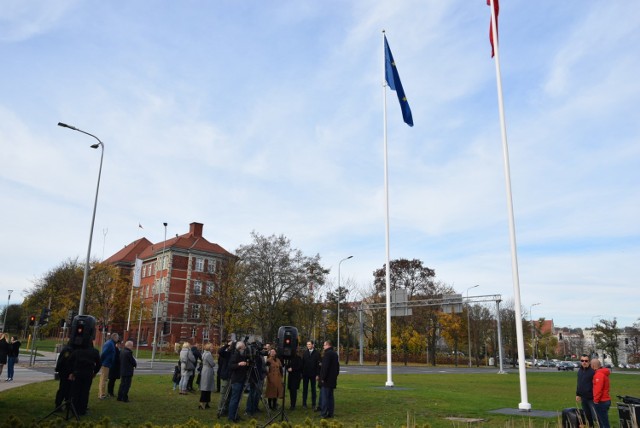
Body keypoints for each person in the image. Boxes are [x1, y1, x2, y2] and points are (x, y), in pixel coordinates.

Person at [68, 342, 102, 415]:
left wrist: (72, 372)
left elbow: (70, 361)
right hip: (88, 373)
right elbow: (99, 364)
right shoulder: (95, 352)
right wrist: (95, 372)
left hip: (77, 373)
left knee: (76, 391)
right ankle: (82, 409)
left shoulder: (77, 351)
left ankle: (74, 408)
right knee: (85, 392)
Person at [227, 341, 250, 423]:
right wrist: (239, 364)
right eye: (244, 348)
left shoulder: (242, 355)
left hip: (241, 379)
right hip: (236, 380)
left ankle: (235, 414)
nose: (245, 349)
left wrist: (246, 364)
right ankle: (231, 416)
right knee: (234, 399)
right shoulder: (235, 355)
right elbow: (230, 366)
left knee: (238, 399)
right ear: (240, 348)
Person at [319, 340, 339, 419]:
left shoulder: (327, 354)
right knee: (331, 397)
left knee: (325, 397)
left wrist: (322, 378)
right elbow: (337, 367)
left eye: (324, 345)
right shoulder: (335, 354)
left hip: (326, 379)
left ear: (328, 345)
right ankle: (331, 413)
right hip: (332, 379)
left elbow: (325, 367)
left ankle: (323, 413)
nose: (323, 347)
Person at [575, 353, 595, 427]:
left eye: (586, 361)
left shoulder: (592, 372)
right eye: (582, 360)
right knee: (587, 415)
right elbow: (579, 383)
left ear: (589, 362)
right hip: (583, 398)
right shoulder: (580, 371)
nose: (584, 362)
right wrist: (577, 394)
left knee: (595, 416)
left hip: (591, 398)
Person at [98, 332, 119, 399]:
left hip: (107, 363)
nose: (118, 339)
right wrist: (101, 362)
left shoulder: (111, 343)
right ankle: (102, 395)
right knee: (104, 379)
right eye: (117, 337)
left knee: (104, 379)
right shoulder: (109, 344)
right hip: (106, 364)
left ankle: (102, 393)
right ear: (114, 337)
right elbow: (104, 353)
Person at [591, 358, 611, 428]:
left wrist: (596, 401)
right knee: (603, 421)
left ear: (593, 366)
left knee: (603, 423)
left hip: (602, 401)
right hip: (605, 400)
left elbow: (598, 389)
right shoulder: (603, 373)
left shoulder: (599, 375)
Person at [54, 342, 74, 408]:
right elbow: (63, 360)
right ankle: (59, 404)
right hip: (65, 372)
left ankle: (65, 404)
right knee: (64, 389)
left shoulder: (68, 349)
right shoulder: (68, 350)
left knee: (67, 389)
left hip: (64, 372)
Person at [301, 340, 321, 409]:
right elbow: (302, 364)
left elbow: (318, 365)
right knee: (305, 389)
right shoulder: (305, 353)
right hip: (306, 374)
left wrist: (318, 374)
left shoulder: (317, 353)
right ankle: (304, 404)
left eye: (309, 344)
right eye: (307, 344)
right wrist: (302, 374)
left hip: (313, 375)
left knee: (313, 390)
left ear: (313, 345)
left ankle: (313, 404)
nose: (308, 346)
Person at [217, 340, 234, 416]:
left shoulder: (233, 354)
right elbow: (220, 351)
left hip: (231, 376)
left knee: (229, 394)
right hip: (226, 376)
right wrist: (227, 345)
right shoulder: (226, 354)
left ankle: (226, 408)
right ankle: (220, 409)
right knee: (223, 394)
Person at [198, 343, 216, 409]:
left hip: (205, 370)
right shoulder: (208, 354)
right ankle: (203, 403)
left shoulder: (204, 353)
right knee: (206, 387)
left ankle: (206, 402)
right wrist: (214, 363)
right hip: (208, 371)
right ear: (208, 348)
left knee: (207, 387)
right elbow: (212, 364)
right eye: (211, 347)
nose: (213, 348)